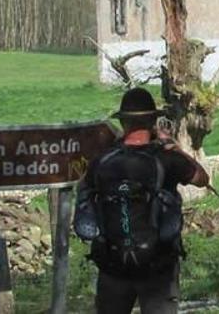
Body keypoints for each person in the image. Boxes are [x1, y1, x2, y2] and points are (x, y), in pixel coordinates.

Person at [75, 87, 209, 314]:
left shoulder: (101, 162)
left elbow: (85, 192)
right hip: (158, 268)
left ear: (123, 123)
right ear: (152, 121)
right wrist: (176, 148)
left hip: (112, 265)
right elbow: (202, 178)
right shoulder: (167, 159)